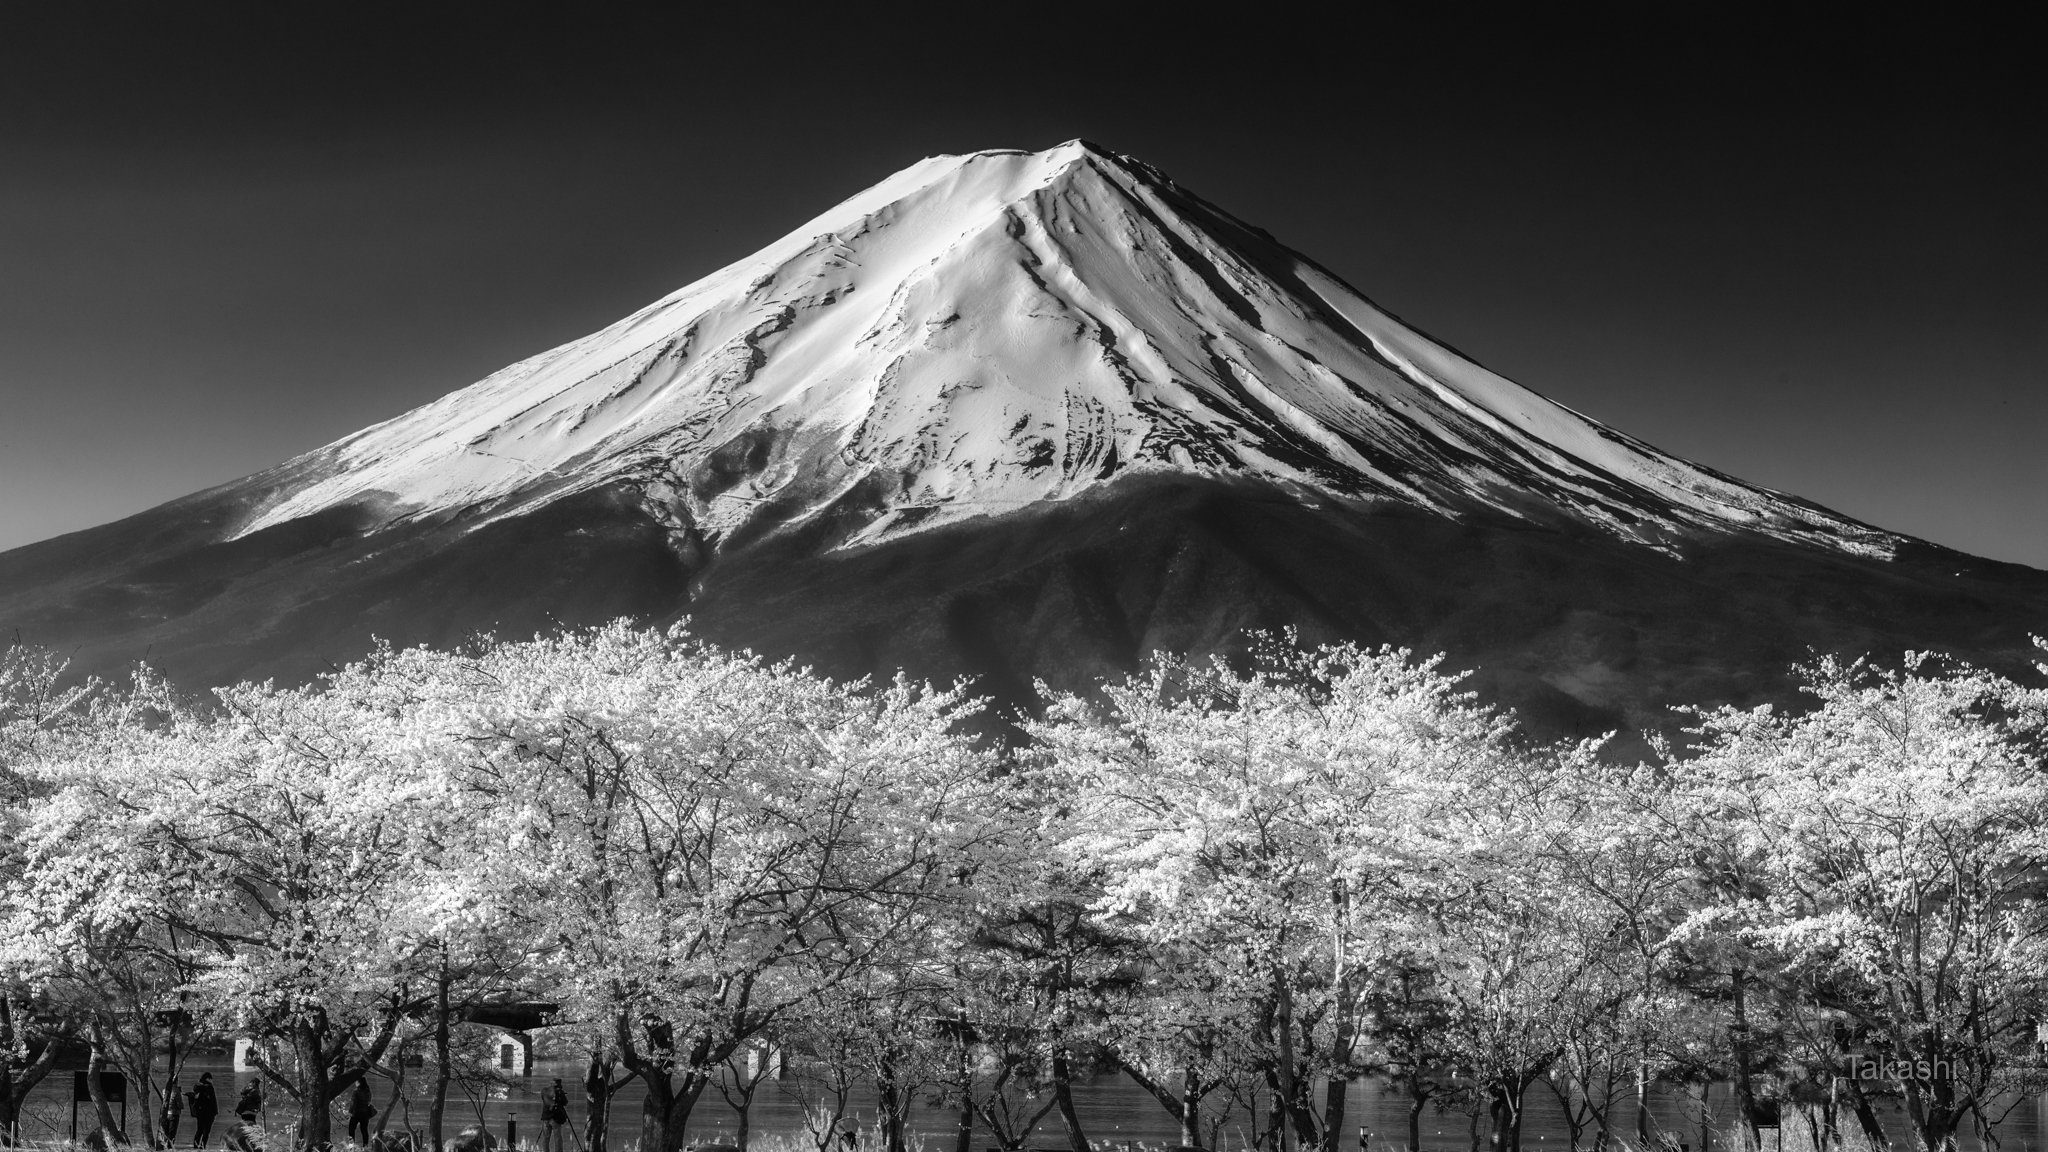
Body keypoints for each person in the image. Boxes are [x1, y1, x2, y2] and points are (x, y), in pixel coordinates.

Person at [189, 1074, 219, 1147]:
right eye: (210, 1078)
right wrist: (215, 1112)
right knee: (206, 1132)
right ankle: (203, 1146)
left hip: (200, 1113)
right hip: (209, 1113)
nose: (212, 1080)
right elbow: (213, 1101)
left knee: (200, 1130)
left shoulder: (197, 1087)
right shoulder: (209, 1088)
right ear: (207, 1078)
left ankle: (195, 1146)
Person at [542, 1078, 570, 1152]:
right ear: (559, 1084)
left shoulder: (544, 1091)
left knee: (545, 1138)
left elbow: (544, 1100)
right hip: (555, 1118)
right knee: (557, 1138)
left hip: (545, 1117)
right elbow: (565, 1102)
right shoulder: (560, 1092)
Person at [348, 1079, 376, 1148]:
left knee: (351, 1129)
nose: (355, 1083)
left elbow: (353, 1103)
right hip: (365, 1113)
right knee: (364, 1130)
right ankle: (365, 1146)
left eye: (356, 1081)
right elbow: (369, 1101)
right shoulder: (368, 1091)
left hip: (356, 1113)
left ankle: (351, 1146)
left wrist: (350, 1112)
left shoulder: (356, 1091)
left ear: (359, 1083)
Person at [161, 1078, 184, 1144]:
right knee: (172, 1133)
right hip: (174, 1114)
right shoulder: (176, 1091)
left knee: (166, 1131)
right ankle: (170, 1146)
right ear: (176, 1081)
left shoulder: (164, 1090)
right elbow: (180, 1105)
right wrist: (180, 1094)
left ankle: (164, 1145)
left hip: (165, 1114)